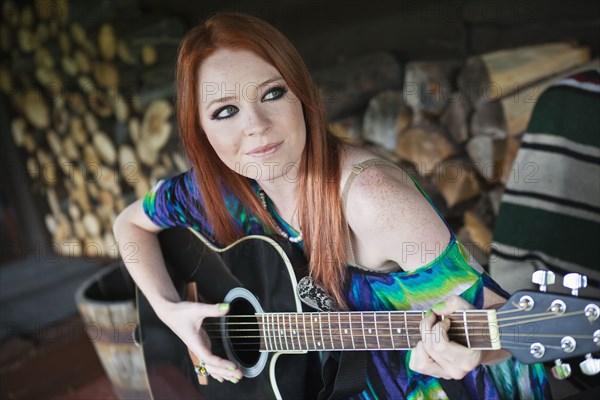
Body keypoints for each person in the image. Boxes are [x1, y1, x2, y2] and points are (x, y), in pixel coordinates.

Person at [113, 12, 551, 399]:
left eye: (271, 94)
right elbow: (128, 226)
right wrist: (170, 311)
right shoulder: (214, 192)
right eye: (225, 111)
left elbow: (501, 323)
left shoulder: (371, 198)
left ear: (302, 96)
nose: (257, 127)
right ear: (200, 130)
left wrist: (474, 349)